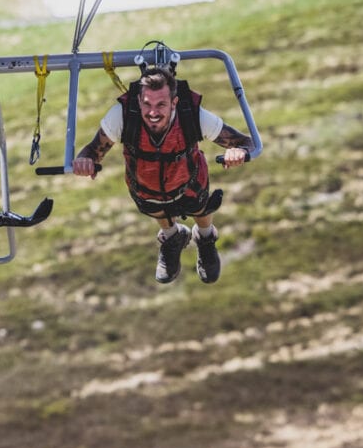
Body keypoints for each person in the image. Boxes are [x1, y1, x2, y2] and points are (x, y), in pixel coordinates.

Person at [70, 56, 251, 285]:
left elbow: (247, 142)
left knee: (199, 205)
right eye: (147, 104)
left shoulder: (192, 115)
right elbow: (93, 150)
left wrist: (238, 152)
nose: (153, 112)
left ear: (173, 102)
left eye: (161, 105)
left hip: (189, 179)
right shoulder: (123, 115)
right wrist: (84, 160)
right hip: (146, 185)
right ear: (138, 100)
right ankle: (172, 236)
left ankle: (205, 237)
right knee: (154, 205)